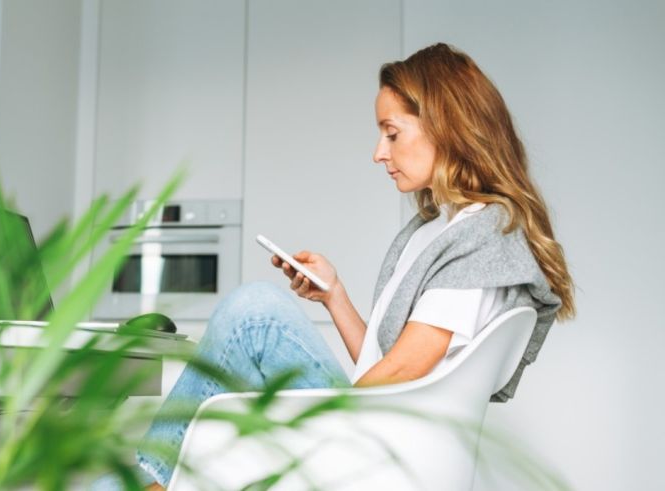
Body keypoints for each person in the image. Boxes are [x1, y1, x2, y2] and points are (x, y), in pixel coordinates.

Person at [93, 42, 575, 491]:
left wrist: (313, 414)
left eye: (392, 133)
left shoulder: (483, 233)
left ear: (446, 126)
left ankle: (150, 480)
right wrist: (335, 296)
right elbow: (389, 362)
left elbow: (407, 368)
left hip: (386, 449)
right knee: (255, 316)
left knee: (255, 311)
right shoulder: (439, 228)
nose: (378, 152)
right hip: (384, 429)